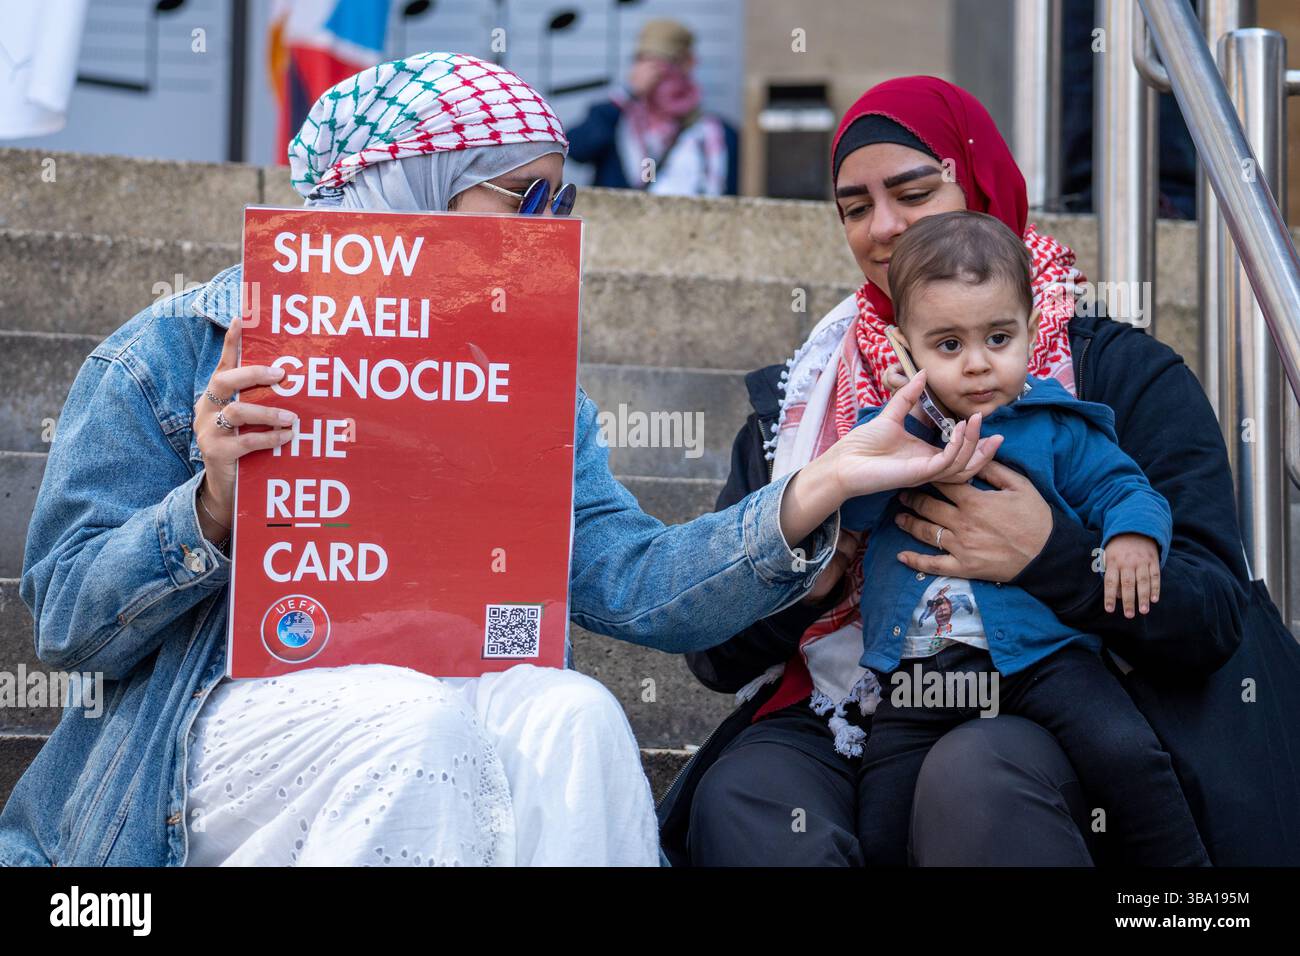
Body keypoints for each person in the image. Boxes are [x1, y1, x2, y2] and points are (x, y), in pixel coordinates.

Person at [0, 54, 1001, 867]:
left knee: (576, 712)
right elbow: (65, 623)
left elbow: (637, 584)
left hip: (442, 696)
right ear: (412, 187)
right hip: (212, 731)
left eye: (557, 204)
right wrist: (212, 503)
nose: (545, 230)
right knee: (408, 721)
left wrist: (817, 484)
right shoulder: (173, 353)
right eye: (522, 197)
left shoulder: (516, 376)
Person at [658, 75, 1300, 867]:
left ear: (981, 182)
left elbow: (1210, 615)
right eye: (855, 208)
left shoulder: (1115, 378)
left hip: (1049, 688)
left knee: (974, 776)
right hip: (848, 700)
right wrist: (814, 570)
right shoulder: (802, 400)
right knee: (748, 796)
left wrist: (1054, 555)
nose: (884, 228)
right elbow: (714, 655)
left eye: (915, 191)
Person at [838, 209, 1207, 867]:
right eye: (948, 345)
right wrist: (910, 432)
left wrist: (1131, 540)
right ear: (904, 350)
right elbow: (850, 510)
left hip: (1045, 658)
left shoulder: (1057, 428)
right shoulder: (887, 434)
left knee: (1127, 752)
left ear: (1033, 333)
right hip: (920, 672)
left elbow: (1125, 489)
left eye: (999, 338)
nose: (978, 365)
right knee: (884, 815)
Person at [566, 18, 739, 196]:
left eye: (668, 63)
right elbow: (576, 150)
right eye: (648, 63)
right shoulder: (615, 121)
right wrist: (627, 94)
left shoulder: (716, 134)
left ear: (689, 63)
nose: (658, 75)